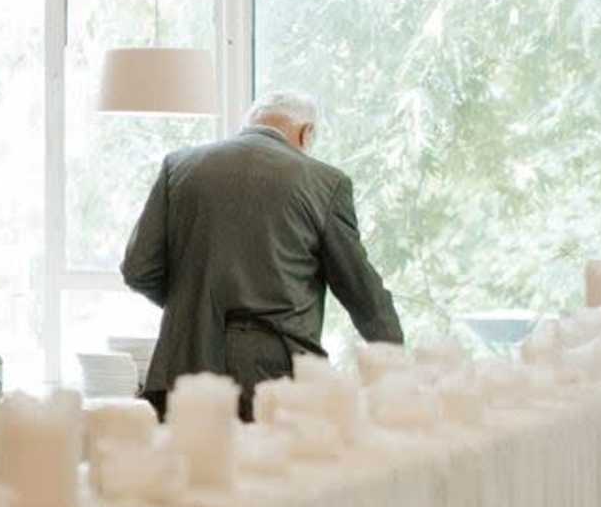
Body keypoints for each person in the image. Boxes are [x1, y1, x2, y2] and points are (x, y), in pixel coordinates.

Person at [123, 92, 399, 415]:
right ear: (306, 133)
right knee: (273, 467)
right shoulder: (324, 183)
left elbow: (138, 269)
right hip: (277, 384)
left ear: (250, 124)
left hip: (184, 374)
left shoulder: (179, 167)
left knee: (191, 466)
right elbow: (362, 295)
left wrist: (192, 308)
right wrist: (396, 367)